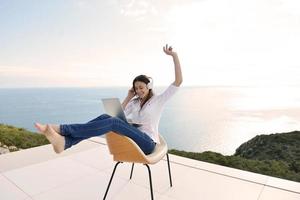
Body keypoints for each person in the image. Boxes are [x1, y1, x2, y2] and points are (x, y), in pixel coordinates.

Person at [34, 44, 183, 154]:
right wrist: (129, 96)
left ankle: (63, 130)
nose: (139, 90)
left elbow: (178, 81)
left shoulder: (159, 100)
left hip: (148, 143)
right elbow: (115, 114)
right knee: (107, 117)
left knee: (112, 122)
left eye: (141, 87)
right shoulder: (135, 102)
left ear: (149, 86)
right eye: (136, 88)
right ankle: (65, 143)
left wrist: (174, 55)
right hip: (134, 137)